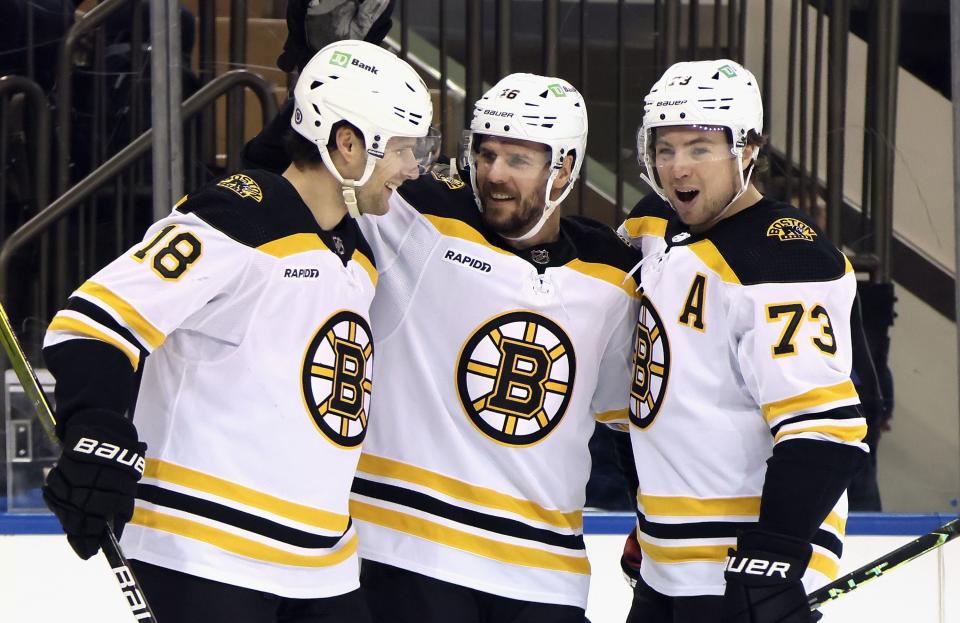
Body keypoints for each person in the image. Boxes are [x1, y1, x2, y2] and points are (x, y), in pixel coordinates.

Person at [39, 39, 438, 623]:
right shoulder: (236, 217)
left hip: (324, 565)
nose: (413, 168)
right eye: (402, 149)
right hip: (204, 553)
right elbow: (92, 323)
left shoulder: (355, 251)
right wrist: (96, 433)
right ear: (347, 145)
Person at [617, 59, 868, 623]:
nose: (677, 167)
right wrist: (648, 519)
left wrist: (776, 555)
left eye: (700, 147)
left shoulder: (783, 259)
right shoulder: (657, 231)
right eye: (664, 148)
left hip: (745, 570)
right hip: (666, 566)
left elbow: (825, 433)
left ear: (747, 150)